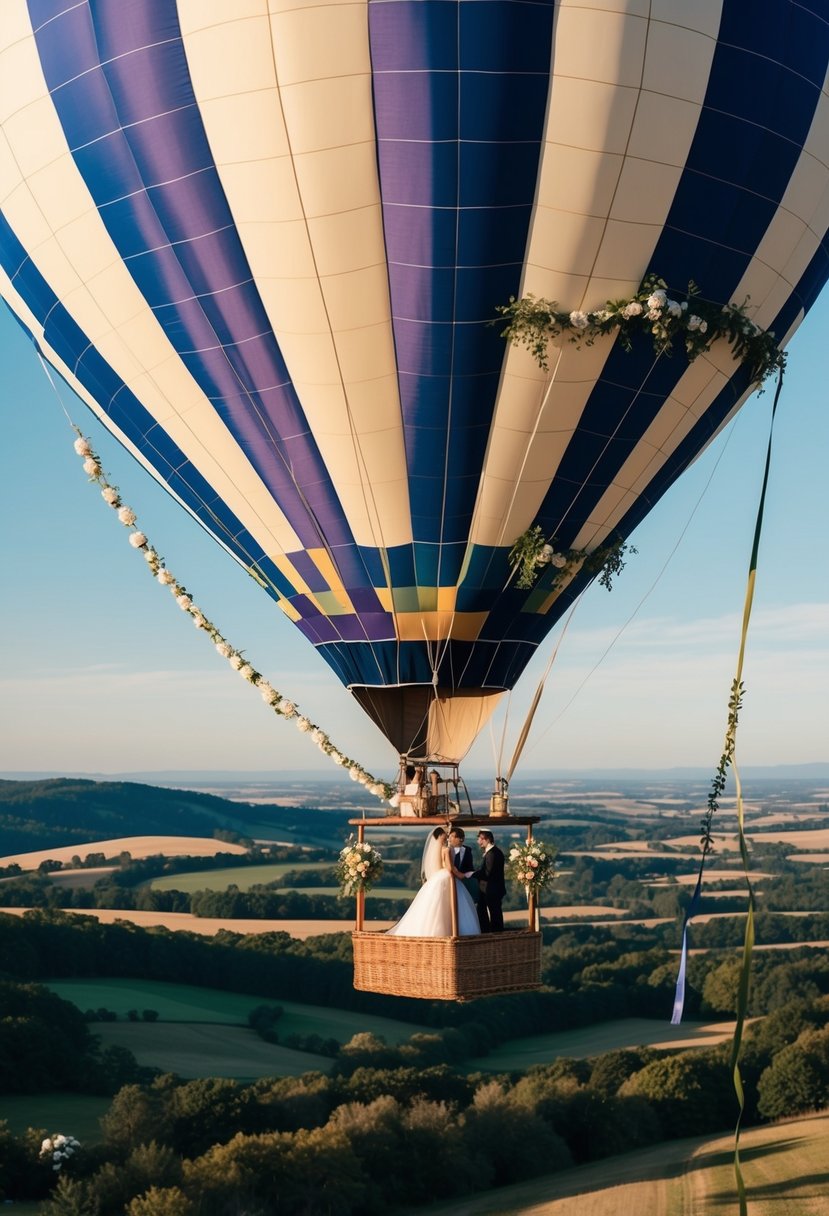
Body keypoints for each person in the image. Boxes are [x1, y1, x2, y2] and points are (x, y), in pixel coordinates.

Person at [386, 828, 480, 937]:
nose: (447, 837)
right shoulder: (446, 850)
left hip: (439, 876)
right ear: (441, 837)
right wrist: (460, 875)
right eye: (446, 835)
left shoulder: (441, 849)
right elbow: (450, 868)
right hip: (447, 876)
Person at [473, 830, 506, 933]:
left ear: (486, 839)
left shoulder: (492, 853)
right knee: (483, 910)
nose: (478, 841)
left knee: (494, 912)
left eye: (480, 839)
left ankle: (495, 933)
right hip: (489, 889)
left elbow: (487, 873)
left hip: (492, 889)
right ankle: (488, 931)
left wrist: (471, 874)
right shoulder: (493, 852)